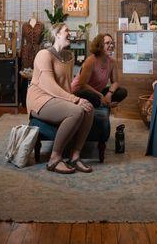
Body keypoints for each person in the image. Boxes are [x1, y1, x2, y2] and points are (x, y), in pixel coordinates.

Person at [26, 23, 94, 174]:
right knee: (76, 111)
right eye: (66, 30)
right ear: (57, 34)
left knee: (88, 108)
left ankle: (75, 156)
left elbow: (66, 85)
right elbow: (49, 85)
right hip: (41, 99)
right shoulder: (44, 54)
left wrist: (77, 99)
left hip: (58, 99)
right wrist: (74, 100)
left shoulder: (69, 57)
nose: (70, 33)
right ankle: (54, 159)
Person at [71, 33, 127, 108]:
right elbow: (82, 85)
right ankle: (105, 104)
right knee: (92, 96)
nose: (111, 46)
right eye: (107, 43)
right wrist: (100, 95)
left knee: (122, 92)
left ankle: (104, 102)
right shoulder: (90, 61)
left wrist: (109, 94)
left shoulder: (112, 62)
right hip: (80, 92)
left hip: (96, 91)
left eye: (112, 43)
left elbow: (116, 82)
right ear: (100, 46)